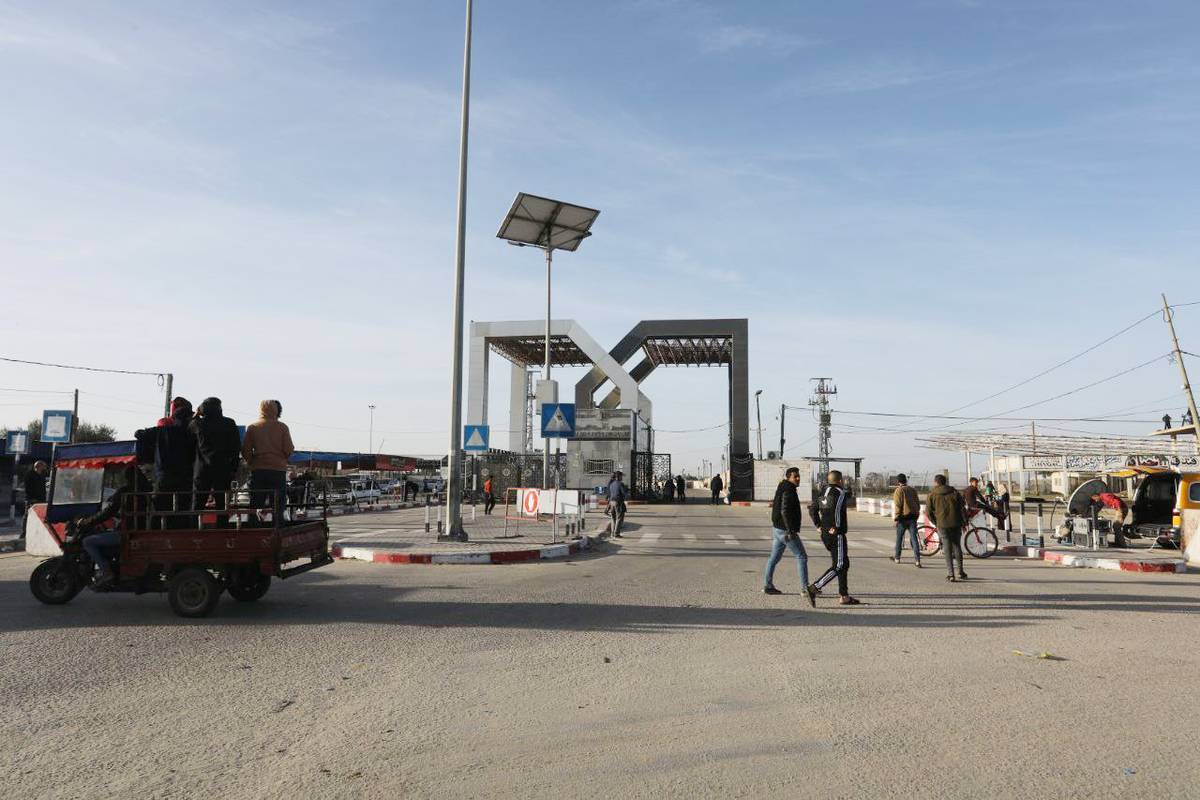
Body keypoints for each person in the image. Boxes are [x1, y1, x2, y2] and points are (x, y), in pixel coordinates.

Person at [78, 464, 153, 586]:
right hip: (140, 530)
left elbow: (108, 512)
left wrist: (88, 521)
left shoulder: (125, 492)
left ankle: (106, 572)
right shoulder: (146, 490)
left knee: (88, 541)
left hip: (127, 533)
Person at [807, 470, 859, 606]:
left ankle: (844, 595)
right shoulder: (839, 493)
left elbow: (812, 509)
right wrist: (836, 528)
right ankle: (815, 587)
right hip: (836, 534)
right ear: (840, 481)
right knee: (840, 565)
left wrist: (819, 525)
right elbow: (836, 512)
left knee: (843, 563)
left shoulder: (823, 492)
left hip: (825, 532)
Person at [189, 397, 240, 526]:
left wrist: (197, 413)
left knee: (197, 504)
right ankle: (222, 529)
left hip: (202, 469)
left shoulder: (197, 424)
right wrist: (233, 468)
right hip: (223, 468)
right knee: (222, 504)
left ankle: (194, 529)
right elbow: (235, 448)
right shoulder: (229, 423)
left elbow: (189, 428)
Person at [242, 399, 295, 522]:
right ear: (276, 410)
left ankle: (253, 528)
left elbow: (246, 451)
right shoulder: (282, 427)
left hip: (258, 470)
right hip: (277, 470)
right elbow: (289, 449)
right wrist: (282, 459)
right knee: (277, 504)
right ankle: (277, 527)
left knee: (256, 503)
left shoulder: (253, 427)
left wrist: (252, 462)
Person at [763, 466, 811, 603]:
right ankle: (804, 589)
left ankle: (768, 585)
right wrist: (790, 531)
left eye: (799, 476)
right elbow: (784, 511)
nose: (798, 478)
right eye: (795, 476)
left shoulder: (783, 487)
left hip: (778, 529)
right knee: (802, 557)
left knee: (774, 557)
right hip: (785, 530)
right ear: (788, 477)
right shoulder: (789, 490)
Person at [150, 397, 196, 528]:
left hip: (164, 476)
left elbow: (141, 435)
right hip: (186, 476)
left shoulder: (163, 426)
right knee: (183, 511)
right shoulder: (193, 428)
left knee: (160, 510)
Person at [927, 474, 967, 582]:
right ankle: (961, 572)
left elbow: (929, 512)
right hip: (956, 523)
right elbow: (962, 508)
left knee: (947, 548)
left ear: (936, 482)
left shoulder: (932, 494)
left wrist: (936, 522)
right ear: (945, 482)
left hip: (942, 524)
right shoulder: (955, 492)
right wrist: (964, 523)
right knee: (957, 546)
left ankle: (951, 574)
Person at [891, 473, 922, 567]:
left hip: (902, 518)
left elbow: (898, 505)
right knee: (914, 538)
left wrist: (896, 518)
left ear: (898, 481)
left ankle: (897, 557)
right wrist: (916, 513)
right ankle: (917, 560)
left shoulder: (898, 490)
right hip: (913, 517)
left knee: (899, 538)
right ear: (906, 480)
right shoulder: (913, 490)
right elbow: (918, 504)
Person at [20, 460, 49, 543]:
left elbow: (43, 488)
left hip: (41, 500)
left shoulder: (42, 475)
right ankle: (24, 533)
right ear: (39, 466)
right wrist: (31, 498)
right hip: (31, 499)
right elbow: (27, 488)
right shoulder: (30, 475)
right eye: (43, 466)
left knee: (40, 517)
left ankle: (36, 533)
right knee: (27, 516)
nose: (45, 468)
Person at [607, 471, 629, 537]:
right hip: (618, 502)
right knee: (619, 518)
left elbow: (610, 493)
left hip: (611, 502)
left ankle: (612, 533)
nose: (622, 477)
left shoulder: (612, 484)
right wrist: (626, 494)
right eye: (621, 476)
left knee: (613, 518)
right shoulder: (620, 484)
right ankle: (616, 533)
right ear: (618, 476)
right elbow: (624, 493)